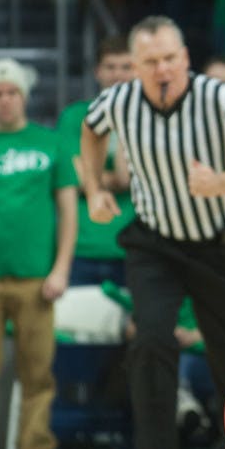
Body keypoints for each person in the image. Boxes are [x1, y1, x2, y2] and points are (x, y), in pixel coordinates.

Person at [81, 16, 225, 449]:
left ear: (185, 59)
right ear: (135, 67)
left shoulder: (220, 99)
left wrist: (221, 183)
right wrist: (94, 191)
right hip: (155, 244)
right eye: (150, 62)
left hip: (219, 245)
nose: (162, 68)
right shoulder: (119, 101)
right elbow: (90, 133)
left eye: (170, 58)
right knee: (150, 339)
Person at [0, 58, 78, 449]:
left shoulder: (51, 145)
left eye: (11, 92)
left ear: (24, 97)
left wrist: (62, 266)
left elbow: (68, 210)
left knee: (38, 371)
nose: (4, 99)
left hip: (37, 277)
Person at [57, 35, 136, 287]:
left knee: (138, 327)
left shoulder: (147, 118)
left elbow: (130, 178)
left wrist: (95, 177)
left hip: (134, 248)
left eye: (126, 67)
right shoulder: (74, 116)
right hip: (82, 247)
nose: (118, 75)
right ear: (97, 72)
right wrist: (113, 180)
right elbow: (71, 177)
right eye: (110, 67)